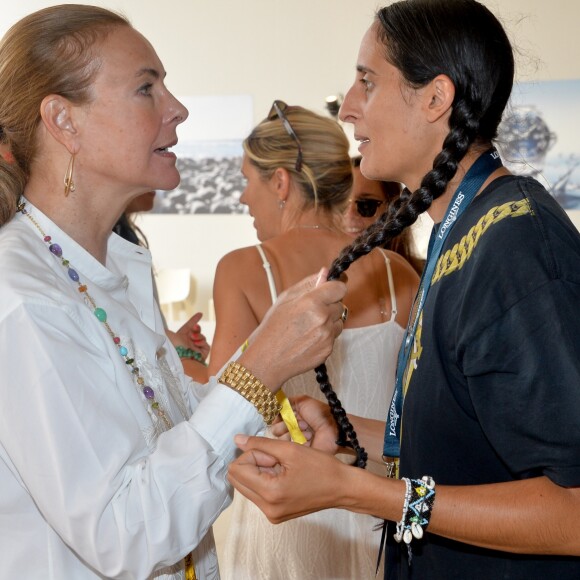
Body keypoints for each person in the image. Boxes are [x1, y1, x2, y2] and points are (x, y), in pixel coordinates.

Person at [227, 1, 580, 579]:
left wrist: (357, 491)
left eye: (367, 80)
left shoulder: (517, 245)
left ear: (436, 98)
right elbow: (465, 444)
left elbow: (573, 511)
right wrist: (347, 432)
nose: (348, 106)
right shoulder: (462, 233)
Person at [0, 6, 347, 579]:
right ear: (64, 121)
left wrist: (264, 417)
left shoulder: (114, 269)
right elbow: (124, 534)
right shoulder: (24, 298)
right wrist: (258, 368)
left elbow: (161, 436)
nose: (178, 108)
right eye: (146, 88)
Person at [210, 103, 419, 579]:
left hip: (285, 517)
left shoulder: (243, 269)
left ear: (281, 182)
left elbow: (224, 406)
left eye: (248, 179)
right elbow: (418, 411)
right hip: (380, 510)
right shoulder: (398, 274)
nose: (244, 197)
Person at [114, 191, 210, 382]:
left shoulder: (126, 239)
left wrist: (173, 346)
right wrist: (176, 350)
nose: (155, 187)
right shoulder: (104, 245)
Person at [344, 156, 424, 274]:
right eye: (341, 205)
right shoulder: (316, 279)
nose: (349, 214)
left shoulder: (428, 278)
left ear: (393, 209)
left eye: (366, 205)